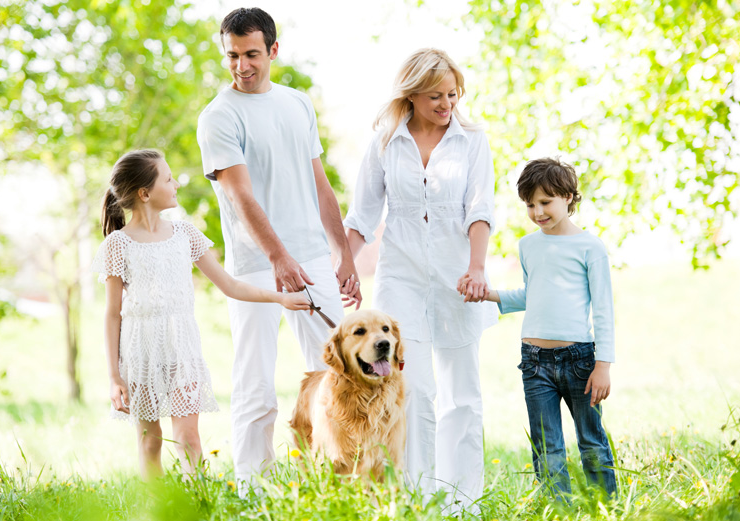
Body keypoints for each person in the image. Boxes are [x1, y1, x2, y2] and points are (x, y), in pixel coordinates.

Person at [196, 8, 360, 488]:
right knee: (255, 382)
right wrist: (277, 257)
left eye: (251, 54)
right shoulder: (218, 116)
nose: (241, 65)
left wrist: (343, 253)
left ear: (272, 50)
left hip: (311, 258)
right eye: (232, 55)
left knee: (333, 374)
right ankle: (254, 489)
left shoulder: (297, 104)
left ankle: (335, 479)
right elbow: (239, 193)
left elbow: (319, 184)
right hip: (255, 265)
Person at [92, 149, 310, 479]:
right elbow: (112, 315)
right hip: (140, 354)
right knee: (149, 443)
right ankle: (160, 510)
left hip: (183, 351)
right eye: (168, 178)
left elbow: (230, 285)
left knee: (189, 440)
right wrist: (114, 376)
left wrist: (278, 298)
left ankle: (198, 503)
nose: (177, 183)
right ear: (145, 193)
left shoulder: (186, 235)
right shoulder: (117, 245)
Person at [343, 48, 498, 510]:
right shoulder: (386, 141)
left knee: (462, 392)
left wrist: (476, 268)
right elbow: (363, 214)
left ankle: (463, 502)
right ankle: (418, 499)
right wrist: (345, 266)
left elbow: (480, 210)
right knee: (415, 391)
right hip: (401, 277)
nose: (446, 103)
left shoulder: (473, 140)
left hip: (458, 278)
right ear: (410, 95)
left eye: (452, 94)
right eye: (435, 96)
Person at [478, 157, 618, 500]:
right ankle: (559, 508)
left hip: (580, 360)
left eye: (545, 202)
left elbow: (603, 310)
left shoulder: (590, 247)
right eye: (530, 204)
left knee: (591, 439)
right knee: (546, 446)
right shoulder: (528, 245)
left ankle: (604, 505)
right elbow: (533, 292)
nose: (538, 212)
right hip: (534, 362)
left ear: (568, 197)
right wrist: (491, 295)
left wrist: (603, 365)